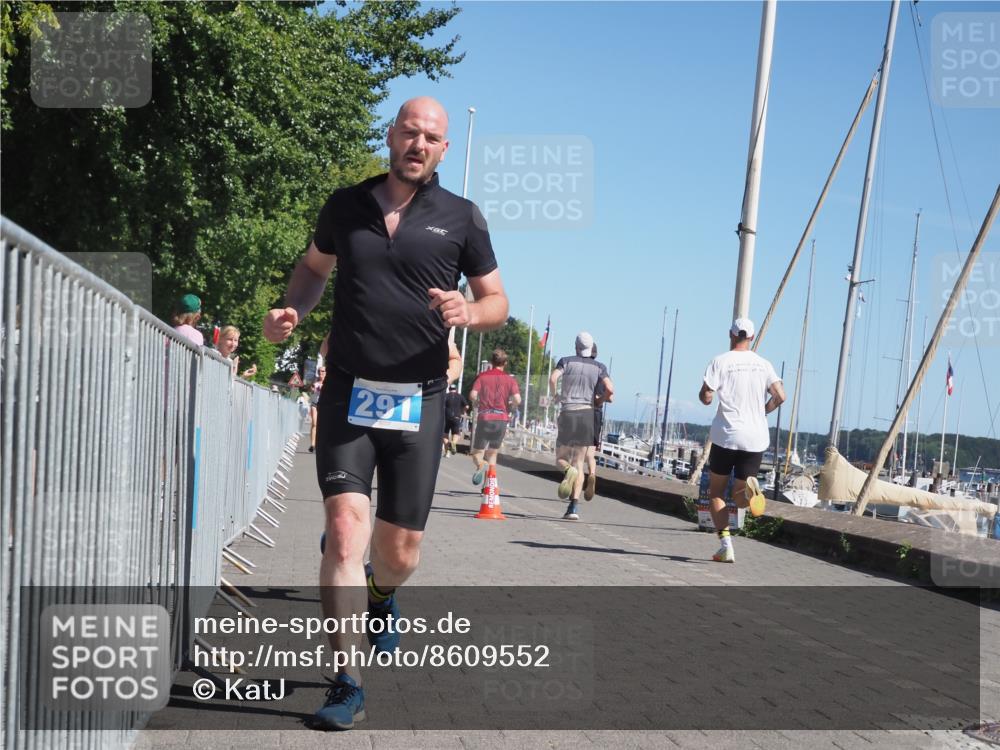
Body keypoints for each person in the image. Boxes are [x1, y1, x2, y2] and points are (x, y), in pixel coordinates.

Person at [262, 96, 507, 731]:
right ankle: (347, 681)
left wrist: (468, 313)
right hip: (346, 391)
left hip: (420, 399)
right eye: (409, 131)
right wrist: (294, 310)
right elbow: (313, 270)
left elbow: (497, 300)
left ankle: (381, 590)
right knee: (344, 531)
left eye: (431, 137)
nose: (418, 144)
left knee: (401, 553)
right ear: (392, 135)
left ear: (443, 150)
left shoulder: (462, 218)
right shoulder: (347, 205)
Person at [698, 317, 785, 563]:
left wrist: (705, 394)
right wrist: (763, 411)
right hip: (755, 437)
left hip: (727, 435)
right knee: (738, 494)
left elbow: (706, 397)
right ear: (752, 337)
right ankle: (750, 493)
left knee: (716, 493)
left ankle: (726, 545)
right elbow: (781, 395)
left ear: (731, 334)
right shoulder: (763, 364)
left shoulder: (720, 361)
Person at [549, 332, 614, 520]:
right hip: (587, 414)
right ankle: (574, 508)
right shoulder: (599, 367)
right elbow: (610, 390)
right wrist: (599, 401)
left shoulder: (566, 361)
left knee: (562, 459)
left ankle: (568, 472)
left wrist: (555, 395)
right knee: (580, 461)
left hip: (569, 412)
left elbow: (553, 379)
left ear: (576, 346)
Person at [468, 348, 520, 484]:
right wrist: (511, 405)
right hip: (501, 419)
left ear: (491, 361)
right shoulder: (510, 380)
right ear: (505, 363)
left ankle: (480, 464)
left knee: (477, 453)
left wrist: (478, 402)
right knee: (492, 453)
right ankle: (488, 487)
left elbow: (472, 395)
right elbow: (517, 399)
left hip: (485, 418)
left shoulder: (483, 376)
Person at [583, 342, 613, 501]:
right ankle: (592, 474)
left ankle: (575, 487)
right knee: (591, 453)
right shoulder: (602, 370)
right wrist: (600, 400)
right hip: (596, 415)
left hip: (582, 412)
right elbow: (611, 396)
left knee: (577, 453)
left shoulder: (584, 369)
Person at [308, 366, 325, 453]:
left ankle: (321, 443)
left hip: (324, 406)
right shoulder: (315, 382)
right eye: (319, 371)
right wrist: (312, 389)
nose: (320, 373)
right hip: (314, 404)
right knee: (314, 423)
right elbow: (311, 390)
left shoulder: (329, 383)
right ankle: (312, 444)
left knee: (322, 426)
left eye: (322, 371)